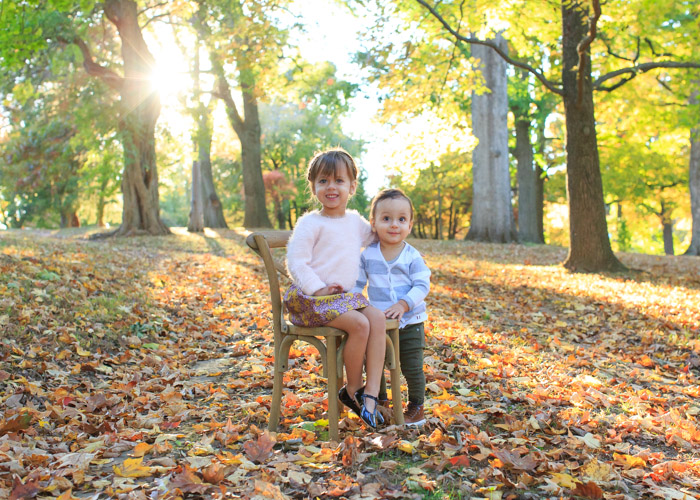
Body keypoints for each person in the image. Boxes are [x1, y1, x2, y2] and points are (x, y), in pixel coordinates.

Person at [284, 148, 387, 428]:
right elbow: (296, 261)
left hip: (342, 298)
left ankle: (372, 393)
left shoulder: (354, 222)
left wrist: (393, 226)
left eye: (339, 181)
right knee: (360, 325)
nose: (331, 187)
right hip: (311, 298)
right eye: (323, 181)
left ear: (352, 186)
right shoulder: (310, 223)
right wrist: (317, 288)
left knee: (376, 317)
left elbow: (376, 236)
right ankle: (352, 390)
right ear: (314, 186)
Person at [353, 188, 431, 427]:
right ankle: (381, 403)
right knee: (376, 362)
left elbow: (422, 284)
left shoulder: (411, 256)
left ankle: (416, 406)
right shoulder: (368, 255)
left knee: (411, 366)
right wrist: (358, 304)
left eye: (401, 219)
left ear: (409, 225)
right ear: (374, 223)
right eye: (386, 219)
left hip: (410, 322)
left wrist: (403, 303)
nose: (394, 225)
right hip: (379, 324)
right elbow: (357, 284)